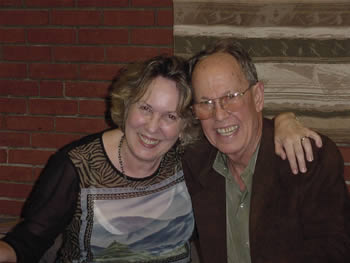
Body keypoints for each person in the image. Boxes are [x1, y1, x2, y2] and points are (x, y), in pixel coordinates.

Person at [0, 55, 319, 263]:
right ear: (127, 106)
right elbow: (28, 241)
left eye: (170, 116)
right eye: (145, 108)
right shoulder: (77, 166)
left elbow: (238, 131)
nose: (153, 128)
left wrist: (284, 120)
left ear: (185, 125)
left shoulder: (189, 159)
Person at [183, 39, 350, 263]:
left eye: (231, 97)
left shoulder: (308, 159)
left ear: (258, 96)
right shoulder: (195, 164)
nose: (219, 115)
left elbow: (334, 252)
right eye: (206, 102)